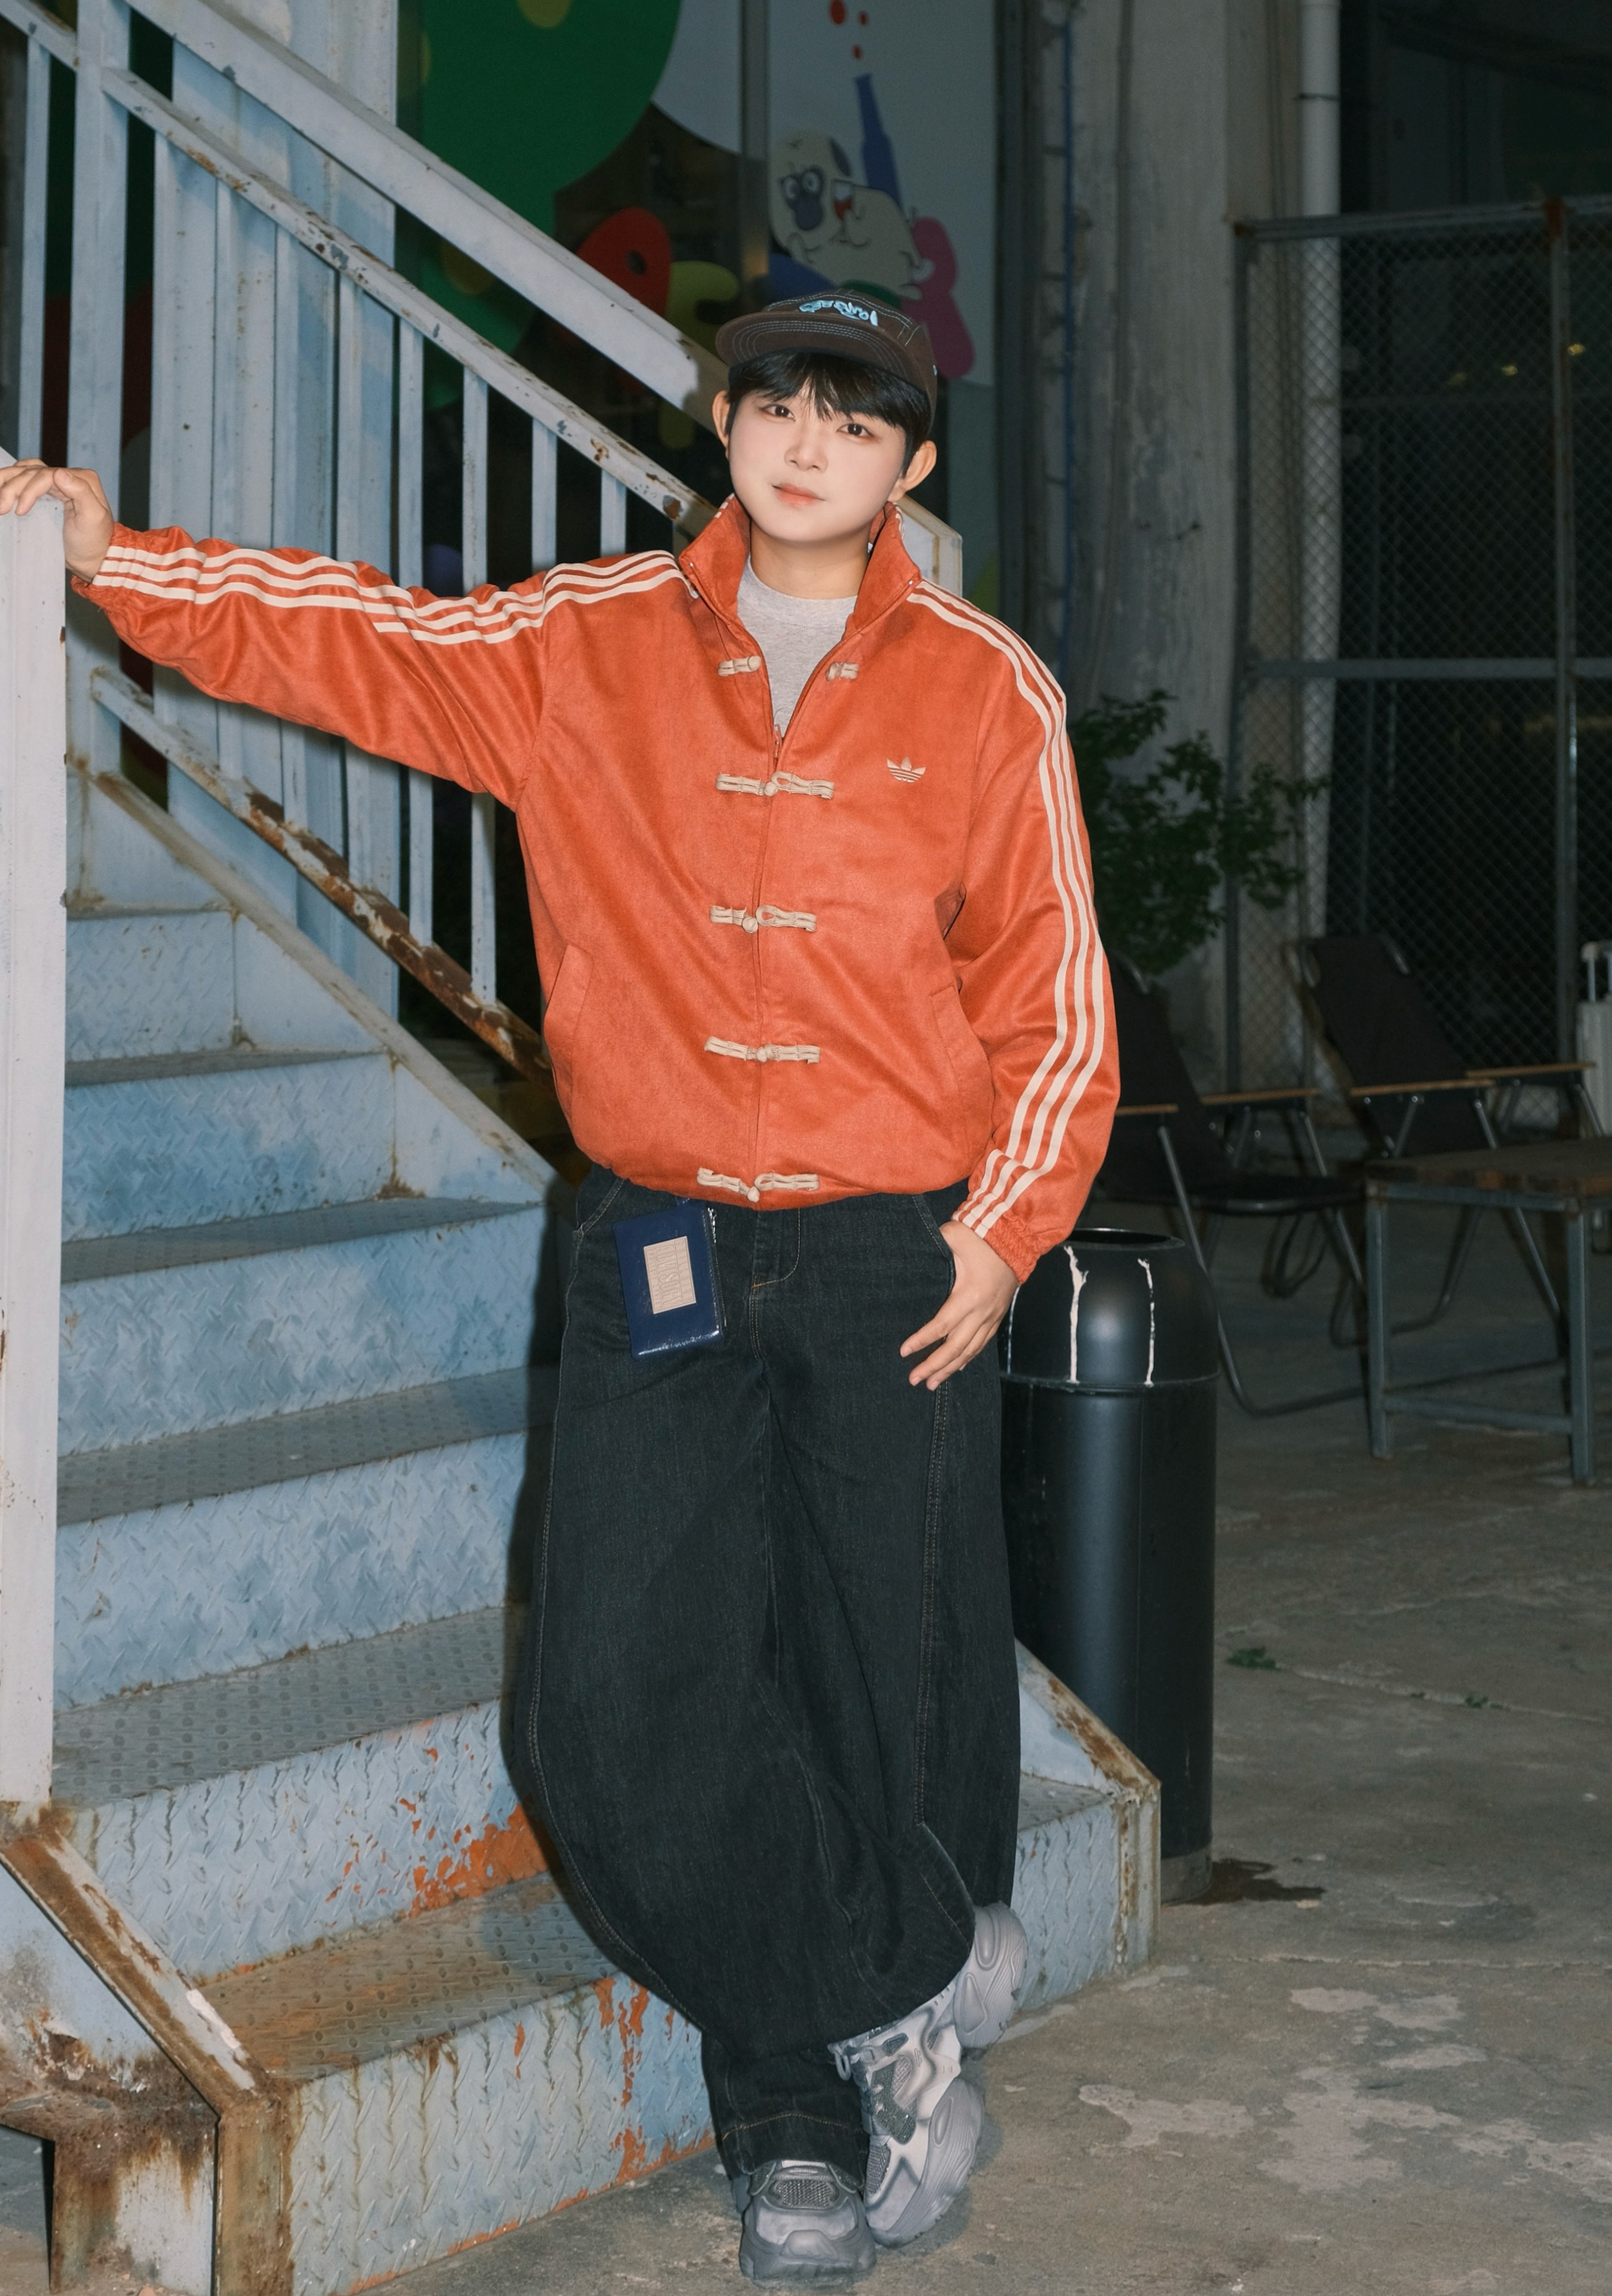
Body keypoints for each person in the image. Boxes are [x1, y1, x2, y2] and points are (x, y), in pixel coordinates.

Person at [1, 293, 1115, 2286]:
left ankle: (799, 2113)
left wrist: (1002, 1229)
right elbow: (353, 636)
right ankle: (904, 1979)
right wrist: (114, 559)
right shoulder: (582, 640)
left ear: (909, 465)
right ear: (722, 422)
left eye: (853, 422)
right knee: (609, 1702)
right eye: (774, 405)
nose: (805, 445)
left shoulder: (980, 691)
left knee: (884, 1675)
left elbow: (1053, 1002)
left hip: (895, 1253)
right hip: (657, 1244)